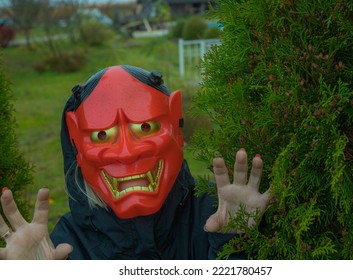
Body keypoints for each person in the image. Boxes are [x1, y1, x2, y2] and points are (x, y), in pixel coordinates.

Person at [0, 65, 271, 260]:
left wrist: (236, 242)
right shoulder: (66, 247)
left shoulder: (215, 215)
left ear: (176, 123)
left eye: (145, 127)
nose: (128, 152)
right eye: (102, 135)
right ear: (76, 142)